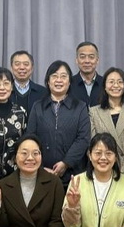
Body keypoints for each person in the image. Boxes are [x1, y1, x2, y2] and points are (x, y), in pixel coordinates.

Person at [27, 60, 91, 188]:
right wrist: (40, 166)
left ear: (69, 81)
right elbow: (30, 137)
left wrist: (66, 163)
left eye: (63, 76)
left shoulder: (80, 107)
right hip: (41, 173)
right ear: (48, 81)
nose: (59, 80)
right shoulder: (38, 106)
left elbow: (83, 139)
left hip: (73, 174)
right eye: (54, 76)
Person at [90, 67, 124, 175]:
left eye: (120, 82)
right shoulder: (94, 112)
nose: (115, 85)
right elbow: (93, 144)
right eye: (111, 82)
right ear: (105, 86)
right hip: (103, 168)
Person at [70, 41, 103, 106]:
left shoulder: (105, 83)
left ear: (97, 60)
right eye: (82, 57)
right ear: (76, 60)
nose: (87, 61)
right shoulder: (69, 84)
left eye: (91, 57)